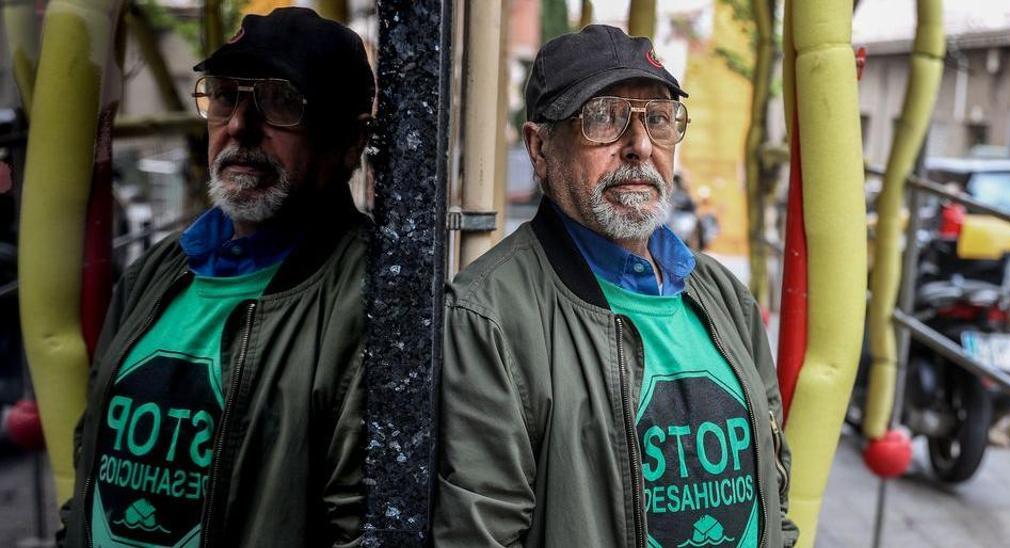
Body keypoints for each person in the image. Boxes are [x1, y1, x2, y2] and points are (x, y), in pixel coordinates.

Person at [435, 24, 799, 547]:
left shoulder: (723, 294)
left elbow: (775, 479)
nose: (640, 146)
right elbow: (481, 535)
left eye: (657, 119)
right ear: (540, 148)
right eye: (603, 118)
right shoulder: (489, 317)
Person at [58, 8, 372, 547]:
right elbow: (93, 449)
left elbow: (361, 528)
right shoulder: (155, 273)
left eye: (280, 101)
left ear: (348, 141)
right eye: (225, 96)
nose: (239, 126)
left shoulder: (371, 301)